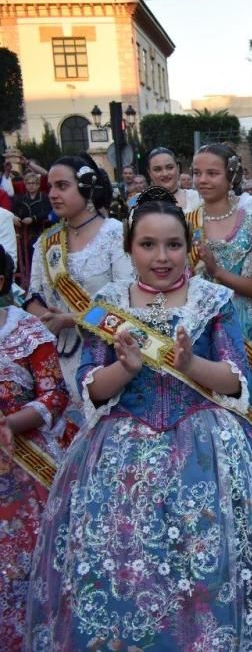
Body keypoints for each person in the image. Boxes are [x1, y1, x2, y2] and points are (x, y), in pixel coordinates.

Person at [25, 191, 252, 649]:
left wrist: (190, 363)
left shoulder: (212, 299)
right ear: (129, 248)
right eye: (148, 245)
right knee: (125, 566)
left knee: (210, 567)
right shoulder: (106, 304)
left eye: (173, 245)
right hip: (121, 455)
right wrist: (127, 369)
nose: (161, 256)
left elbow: (235, 384)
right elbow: (91, 389)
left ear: (189, 247)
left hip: (208, 448)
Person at [25, 153, 134, 427]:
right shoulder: (46, 242)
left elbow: (127, 301)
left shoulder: (115, 234)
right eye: (50, 187)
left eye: (62, 186)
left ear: (86, 187)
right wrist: (45, 318)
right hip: (57, 358)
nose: (52, 194)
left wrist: (69, 319)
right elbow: (32, 296)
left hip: (109, 355)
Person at [0, 246, 70, 650]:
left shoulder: (26, 331)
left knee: (27, 566)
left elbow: (54, 395)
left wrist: (10, 423)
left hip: (28, 466)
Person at [188, 143, 252, 409]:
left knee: (251, 405)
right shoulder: (186, 221)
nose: (202, 180)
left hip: (249, 327)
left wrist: (217, 272)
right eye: (197, 172)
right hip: (201, 325)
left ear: (231, 176)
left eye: (212, 173)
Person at [12, 172, 50, 285]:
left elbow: (48, 212)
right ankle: (25, 283)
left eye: (33, 183)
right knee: (23, 258)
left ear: (38, 185)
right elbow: (14, 211)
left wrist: (33, 218)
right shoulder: (20, 199)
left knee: (38, 258)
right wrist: (15, 217)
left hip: (40, 232)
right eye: (28, 183)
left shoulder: (44, 197)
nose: (31, 186)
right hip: (23, 234)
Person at [147, 146, 199, 211]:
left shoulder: (196, 198)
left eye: (170, 167)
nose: (165, 174)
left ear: (178, 168)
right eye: (158, 169)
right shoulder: (141, 203)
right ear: (150, 173)